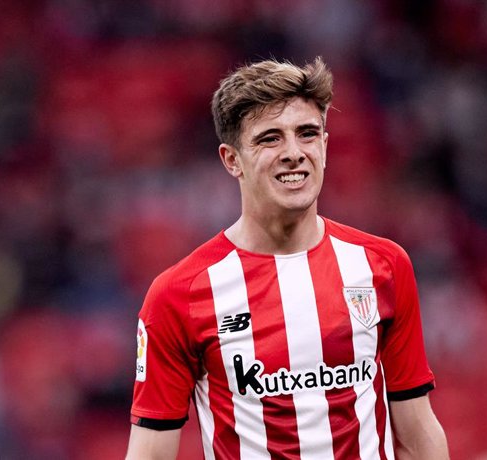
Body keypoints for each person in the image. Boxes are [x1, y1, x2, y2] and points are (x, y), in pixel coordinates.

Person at [126, 57, 449, 460]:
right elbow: (151, 454)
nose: (294, 152)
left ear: (326, 147)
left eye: (307, 133)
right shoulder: (179, 295)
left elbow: (417, 435)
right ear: (231, 160)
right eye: (270, 138)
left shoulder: (383, 266)